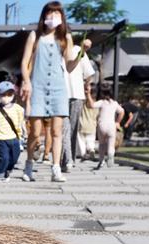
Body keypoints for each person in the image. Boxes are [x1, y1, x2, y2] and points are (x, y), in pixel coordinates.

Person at [20, 1, 87, 183]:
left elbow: (70, 66)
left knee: (57, 131)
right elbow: (25, 62)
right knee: (35, 132)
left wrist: (82, 52)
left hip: (58, 88)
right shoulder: (35, 36)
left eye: (56, 14)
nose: (53, 17)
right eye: (50, 14)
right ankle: (28, 164)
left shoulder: (65, 37)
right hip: (38, 87)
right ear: (44, 16)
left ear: (61, 17)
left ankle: (56, 168)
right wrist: (26, 82)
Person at [61, 35, 94, 171]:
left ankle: (69, 160)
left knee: (73, 129)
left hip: (77, 95)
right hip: (60, 95)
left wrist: (87, 87)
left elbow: (89, 73)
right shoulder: (54, 50)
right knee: (64, 128)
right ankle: (66, 160)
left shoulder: (78, 50)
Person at [86, 83, 124, 169]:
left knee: (102, 144)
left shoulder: (101, 102)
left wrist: (88, 94)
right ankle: (110, 154)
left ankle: (101, 161)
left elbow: (92, 105)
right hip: (111, 126)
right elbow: (122, 112)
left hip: (102, 125)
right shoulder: (114, 103)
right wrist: (117, 122)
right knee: (111, 145)